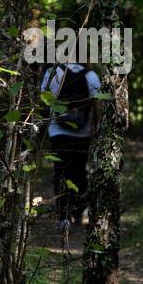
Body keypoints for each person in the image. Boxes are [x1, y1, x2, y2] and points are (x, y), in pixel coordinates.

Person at [40, 60, 101, 230]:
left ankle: (63, 217)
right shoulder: (91, 75)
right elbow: (97, 104)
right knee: (79, 171)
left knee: (60, 171)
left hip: (57, 131)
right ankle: (80, 212)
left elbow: (44, 100)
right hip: (83, 132)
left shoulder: (52, 73)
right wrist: (96, 128)